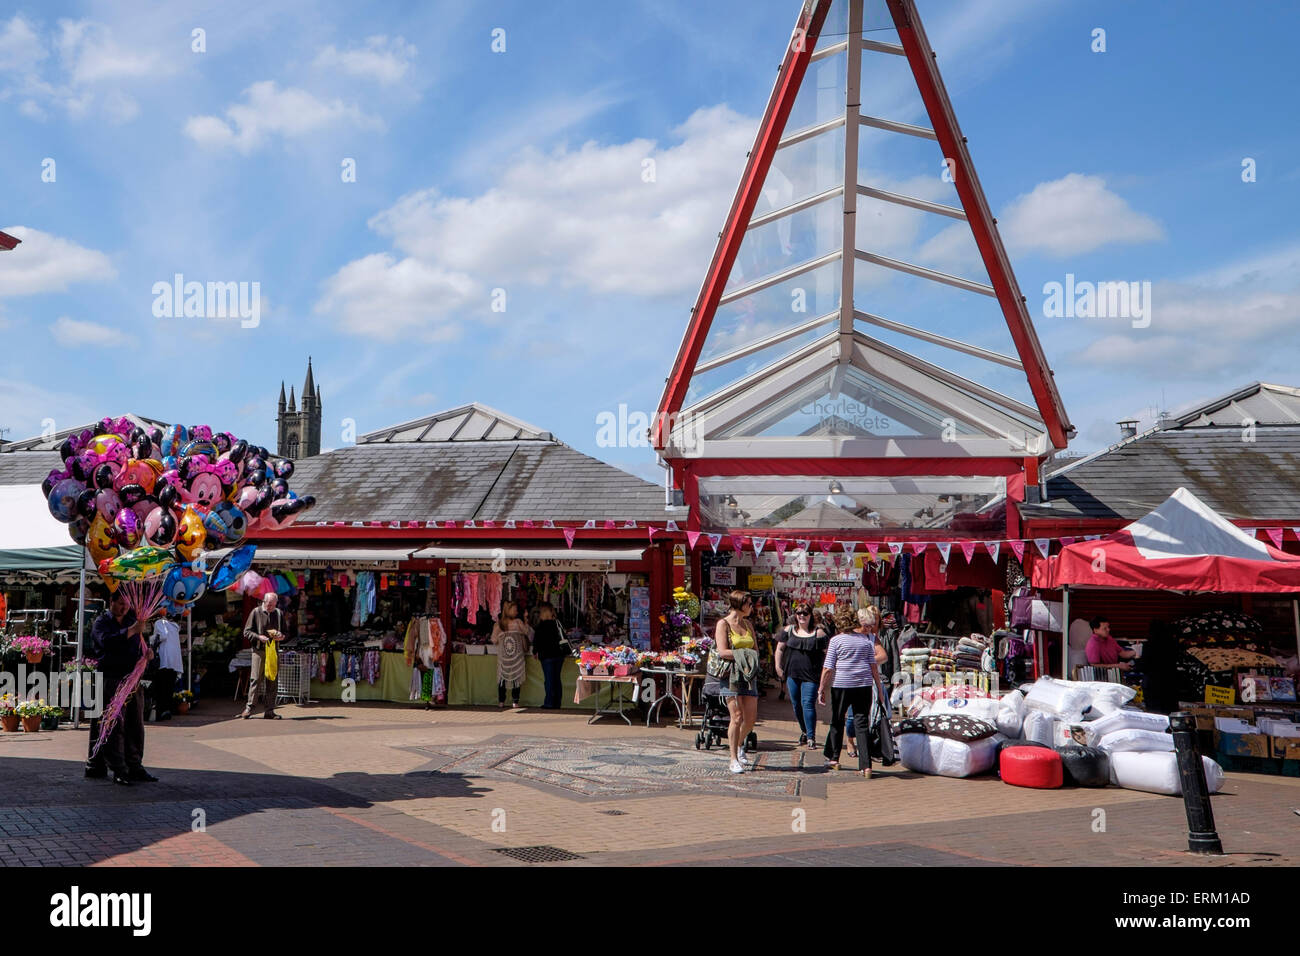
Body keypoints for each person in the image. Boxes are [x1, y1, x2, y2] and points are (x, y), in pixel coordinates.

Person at [85, 591, 156, 785]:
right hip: (110, 678)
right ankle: (117, 768)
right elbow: (106, 643)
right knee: (113, 724)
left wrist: (148, 654)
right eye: (120, 604)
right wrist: (131, 631)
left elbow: (141, 644)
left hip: (132, 679)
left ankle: (135, 765)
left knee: (135, 724)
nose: (124, 608)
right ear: (111, 602)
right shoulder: (101, 622)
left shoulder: (132, 620)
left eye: (126, 604)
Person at [819, 605, 883, 777]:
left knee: (837, 720)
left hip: (842, 684)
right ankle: (866, 766)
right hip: (863, 685)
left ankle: (834, 759)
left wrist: (821, 688)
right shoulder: (866, 640)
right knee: (862, 724)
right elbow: (873, 667)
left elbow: (828, 667)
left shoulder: (836, 641)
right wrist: (879, 689)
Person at [714, 590, 760, 774]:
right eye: (749, 603)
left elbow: (755, 649)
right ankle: (733, 758)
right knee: (737, 717)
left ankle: (739, 743)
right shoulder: (723, 624)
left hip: (748, 674)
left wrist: (751, 657)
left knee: (749, 720)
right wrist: (744, 654)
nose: (751, 607)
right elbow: (723, 651)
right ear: (739, 604)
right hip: (731, 675)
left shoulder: (748, 624)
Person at [775, 602, 827, 749]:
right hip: (792, 673)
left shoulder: (819, 633)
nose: (802, 616)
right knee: (796, 705)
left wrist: (826, 674)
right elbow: (779, 649)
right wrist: (778, 666)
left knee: (808, 704)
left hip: (811, 675)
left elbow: (827, 654)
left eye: (805, 613)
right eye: (799, 613)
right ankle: (804, 731)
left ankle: (811, 736)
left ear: (810, 615)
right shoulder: (789, 630)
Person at [240, 592, 286, 719]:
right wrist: (259, 637)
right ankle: (249, 708)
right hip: (259, 651)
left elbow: (286, 633)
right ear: (263, 601)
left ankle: (270, 711)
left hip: (273, 651)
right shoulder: (256, 612)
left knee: (272, 680)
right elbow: (247, 631)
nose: (270, 607)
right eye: (268, 604)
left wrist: (281, 636)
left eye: (272, 604)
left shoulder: (278, 613)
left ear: (276, 603)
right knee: (255, 679)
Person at [491, 601, 532, 708]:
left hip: (504, 657)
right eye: (515, 609)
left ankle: (501, 701)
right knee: (516, 679)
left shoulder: (499, 624)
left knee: (502, 679)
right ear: (508, 610)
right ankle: (515, 701)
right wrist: (526, 620)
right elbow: (527, 632)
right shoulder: (518, 622)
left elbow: (494, 639)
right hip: (517, 656)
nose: (516, 612)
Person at [532, 602, 569, 710]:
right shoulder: (557, 624)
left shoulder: (540, 626)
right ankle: (557, 702)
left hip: (546, 656)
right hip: (559, 655)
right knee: (557, 679)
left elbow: (536, 642)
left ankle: (549, 703)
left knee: (549, 680)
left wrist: (535, 652)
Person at [150, 616, 184, 720]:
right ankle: (167, 710)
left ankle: (161, 711)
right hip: (174, 661)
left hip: (165, 660)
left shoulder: (159, 623)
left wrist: (151, 639)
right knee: (169, 687)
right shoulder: (174, 626)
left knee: (161, 687)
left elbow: (162, 636)